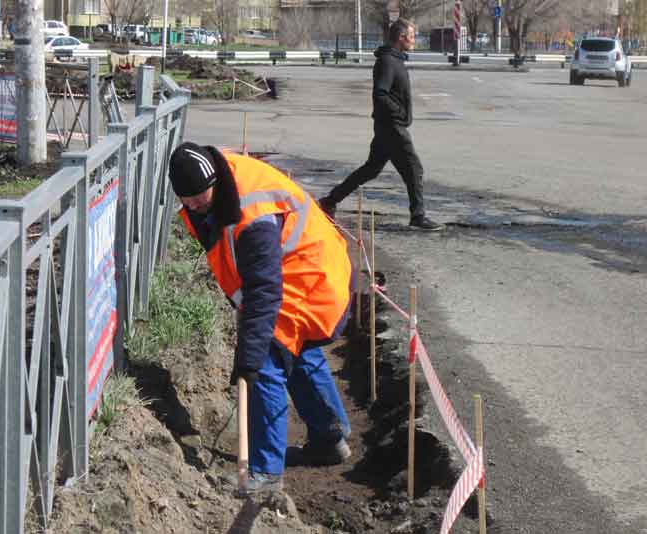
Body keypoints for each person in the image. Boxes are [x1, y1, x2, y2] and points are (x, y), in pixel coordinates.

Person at [168, 142, 354, 494]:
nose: (193, 207)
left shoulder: (254, 218)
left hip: (311, 276)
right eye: (186, 201)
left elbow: (264, 293)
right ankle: (330, 438)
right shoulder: (220, 176)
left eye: (199, 198)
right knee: (294, 351)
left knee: (267, 358)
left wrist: (249, 359)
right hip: (306, 266)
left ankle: (265, 474)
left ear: (215, 182)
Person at [318, 19, 443, 231]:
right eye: (412, 36)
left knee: (370, 170)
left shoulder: (395, 60)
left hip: (387, 126)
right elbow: (380, 94)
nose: (414, 40)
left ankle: (329, 201)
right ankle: (418, 216)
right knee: (414, 169)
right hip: (392, 127)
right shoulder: (387, 61)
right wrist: (400, 113)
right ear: (401, 38)